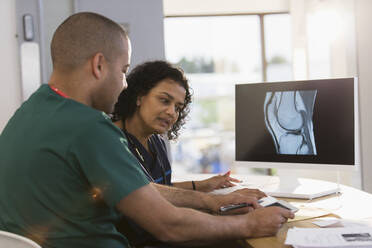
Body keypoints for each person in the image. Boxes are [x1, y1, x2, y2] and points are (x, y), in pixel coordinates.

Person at [0, 12, 294, 248]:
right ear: (99, 65)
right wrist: (250, 224)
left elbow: (142, 190)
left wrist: (210, 200)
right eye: (123, 71)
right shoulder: (89, 128)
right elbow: (168, 226)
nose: (124, 84)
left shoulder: (27, 114)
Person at [111, 60, 267, 246]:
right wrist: (215, 202)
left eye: (178, 107)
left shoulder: (155, 141)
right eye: (164, 100)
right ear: (139, 96)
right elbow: (147, 194)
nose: (171, 112)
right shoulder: (113, 142)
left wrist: (204, 186)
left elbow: (161, 186)